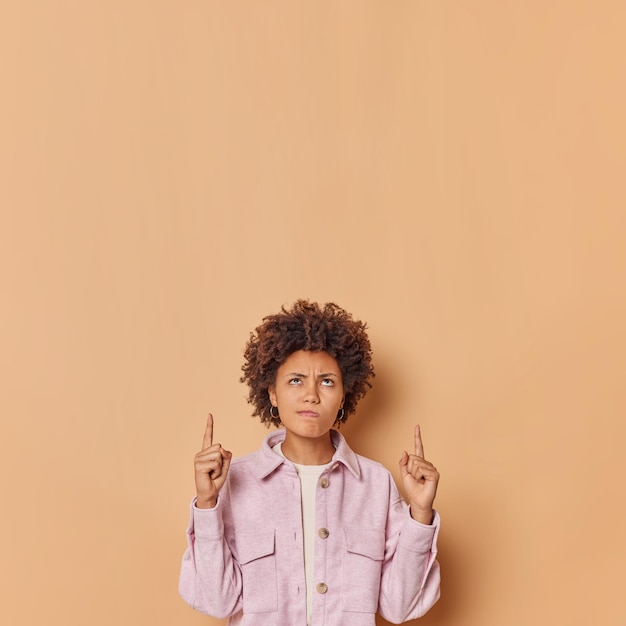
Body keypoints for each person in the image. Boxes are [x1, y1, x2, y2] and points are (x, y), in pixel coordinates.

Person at [179, 300, 441, 626]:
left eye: (327, 381)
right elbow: (218, 603)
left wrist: (420, 515)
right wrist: (206, 504)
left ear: (344, 396)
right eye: (296, 380)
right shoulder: (234, 482)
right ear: (272, 393)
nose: (312, 395)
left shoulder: (376, 485)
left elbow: (398, 607)